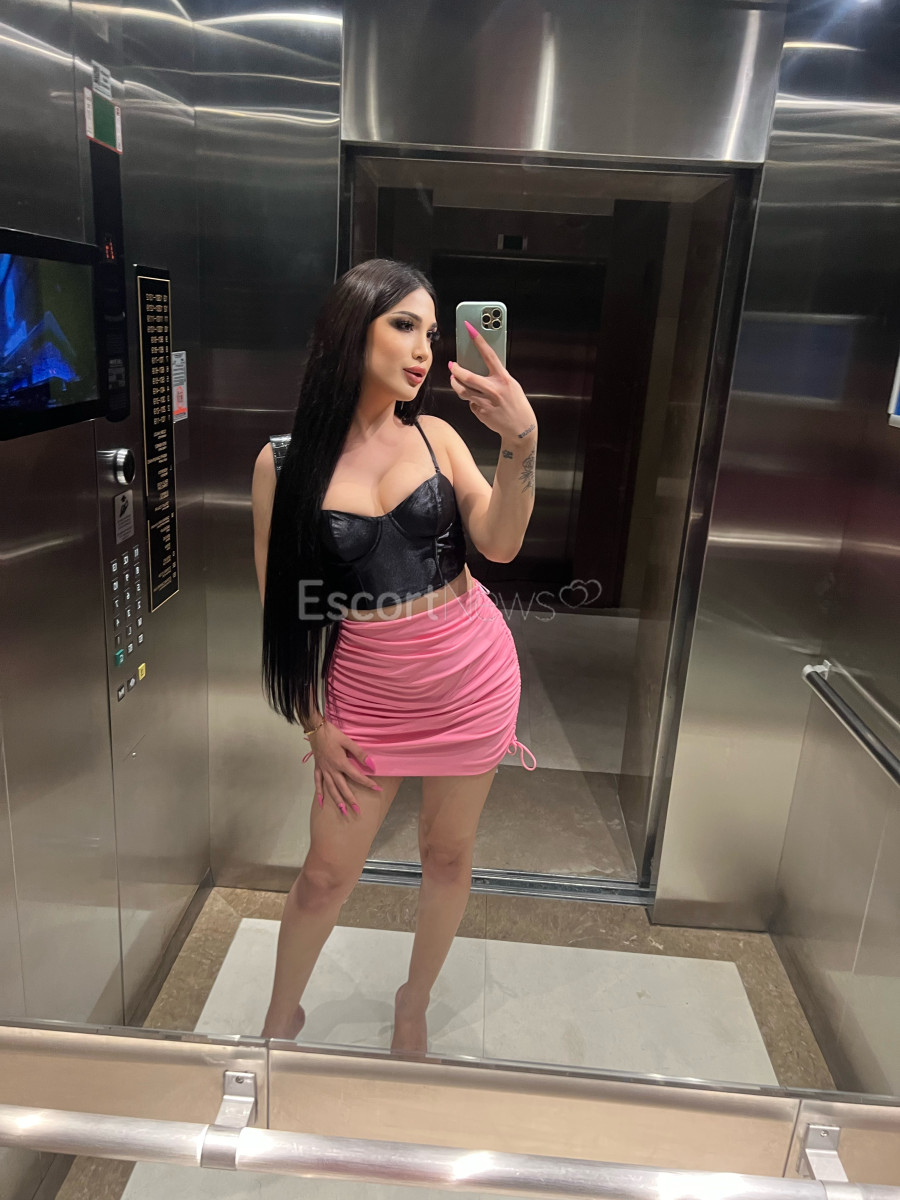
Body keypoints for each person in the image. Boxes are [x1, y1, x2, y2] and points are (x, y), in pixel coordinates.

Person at [251, 258, 538, 1055]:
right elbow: (283, 610)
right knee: (324, 875)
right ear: (352, 329)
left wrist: (520, 442)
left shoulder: (437, 438)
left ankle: (414, 1002)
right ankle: (281, 1014)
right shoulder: (282, 464)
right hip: (366, 699)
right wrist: (313, 723)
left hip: (471, 681)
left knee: (446, 855)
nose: (423, 350)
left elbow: (500, 543)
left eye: (432, 333)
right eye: (404, 325)